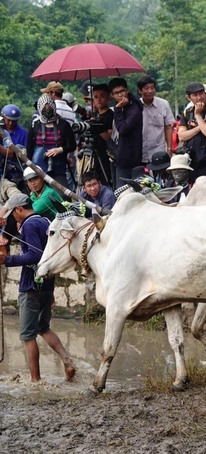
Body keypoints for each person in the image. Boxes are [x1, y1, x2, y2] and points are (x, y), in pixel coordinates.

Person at [0, 192, 76, 383]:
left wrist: (8, 259)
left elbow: (36, 255)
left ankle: (36, 380)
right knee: (43, 327)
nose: (13, 218)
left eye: (13, 214)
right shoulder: (44, 221)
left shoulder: (30, 224)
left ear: (19, 209)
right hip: (46, 284)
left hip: (30, 286)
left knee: (27, 335)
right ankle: (67, 362)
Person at [177, 82, 206, 187]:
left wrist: (198, 115)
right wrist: (199, 127)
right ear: (189, 98)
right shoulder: (187, 113)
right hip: (192, 161)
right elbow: (182, 136)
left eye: (201, 93)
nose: (199, 97)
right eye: (195, 95)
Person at [27, 94, 76, 188]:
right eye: (44, 107)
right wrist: (30, 167)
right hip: (38, 168)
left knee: (62, 194)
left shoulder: (63, 124)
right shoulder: (35, 125)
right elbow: (29, 148)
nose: (47, 109)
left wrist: (60, 150)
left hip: (58, 167)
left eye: (49, 106)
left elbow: (72, 145)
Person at [109, 77, 144, 188]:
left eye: (122, 91)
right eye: (116, 93)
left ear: (127, 90)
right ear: (112, 95)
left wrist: (118, 109)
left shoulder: (134, 108)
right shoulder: (122, 107)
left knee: (124, 192)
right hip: (119, 157)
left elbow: (123, 129)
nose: (120, 95)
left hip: (129, 159)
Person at [137, 75, 174, 162]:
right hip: (140, 152)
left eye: (152, 88)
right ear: (139, 90)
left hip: (158, 150)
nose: (150, 91)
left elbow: (168, 127)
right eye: (146, 88)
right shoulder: (135, 106)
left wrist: (169, 149)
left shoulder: (164, 104)